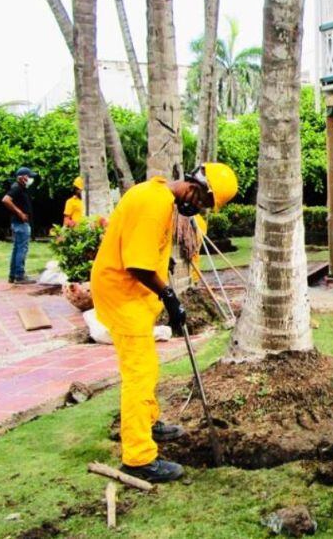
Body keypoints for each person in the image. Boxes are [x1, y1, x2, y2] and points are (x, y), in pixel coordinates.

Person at [91, 162, 238, 483]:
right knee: (139, 374)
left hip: (131, 295)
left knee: (148, 367)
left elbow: (143, 251)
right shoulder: (155, 204)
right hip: (123, 295)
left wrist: (163, 276)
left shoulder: (157, 193)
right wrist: (170, 296)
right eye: (204, 203)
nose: (200, 209)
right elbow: (137, 265)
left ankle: (149, 422)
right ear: (196, 188)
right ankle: (138, 457)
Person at [1, 166, 36, 284]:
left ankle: (13, 275)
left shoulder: (20, 188)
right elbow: (6, 200)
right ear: (23, 178)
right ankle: (20, 275)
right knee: (22, 248)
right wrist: (20, 213)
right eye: (29, 176)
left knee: (17, 249)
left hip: (18, 223)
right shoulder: (17, 188)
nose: (31, 179)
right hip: (20, 223)